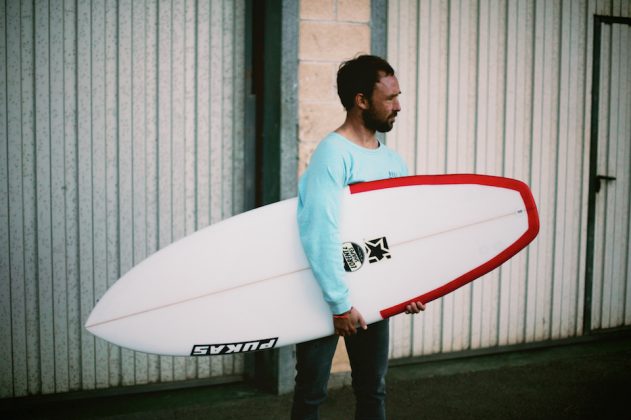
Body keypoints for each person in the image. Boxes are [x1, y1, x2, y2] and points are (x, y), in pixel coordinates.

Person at [291, 55, 426, 420]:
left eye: (398, 96)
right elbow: (320, 230)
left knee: (372, 390)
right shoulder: (333, 155)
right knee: (312, 393)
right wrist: (338, 304)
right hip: (325, 294)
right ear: (361, 100)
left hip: (374, 291)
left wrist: (407, 289)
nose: (398, 106)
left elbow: (399, 235)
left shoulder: (394, 163)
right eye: (390, 98)